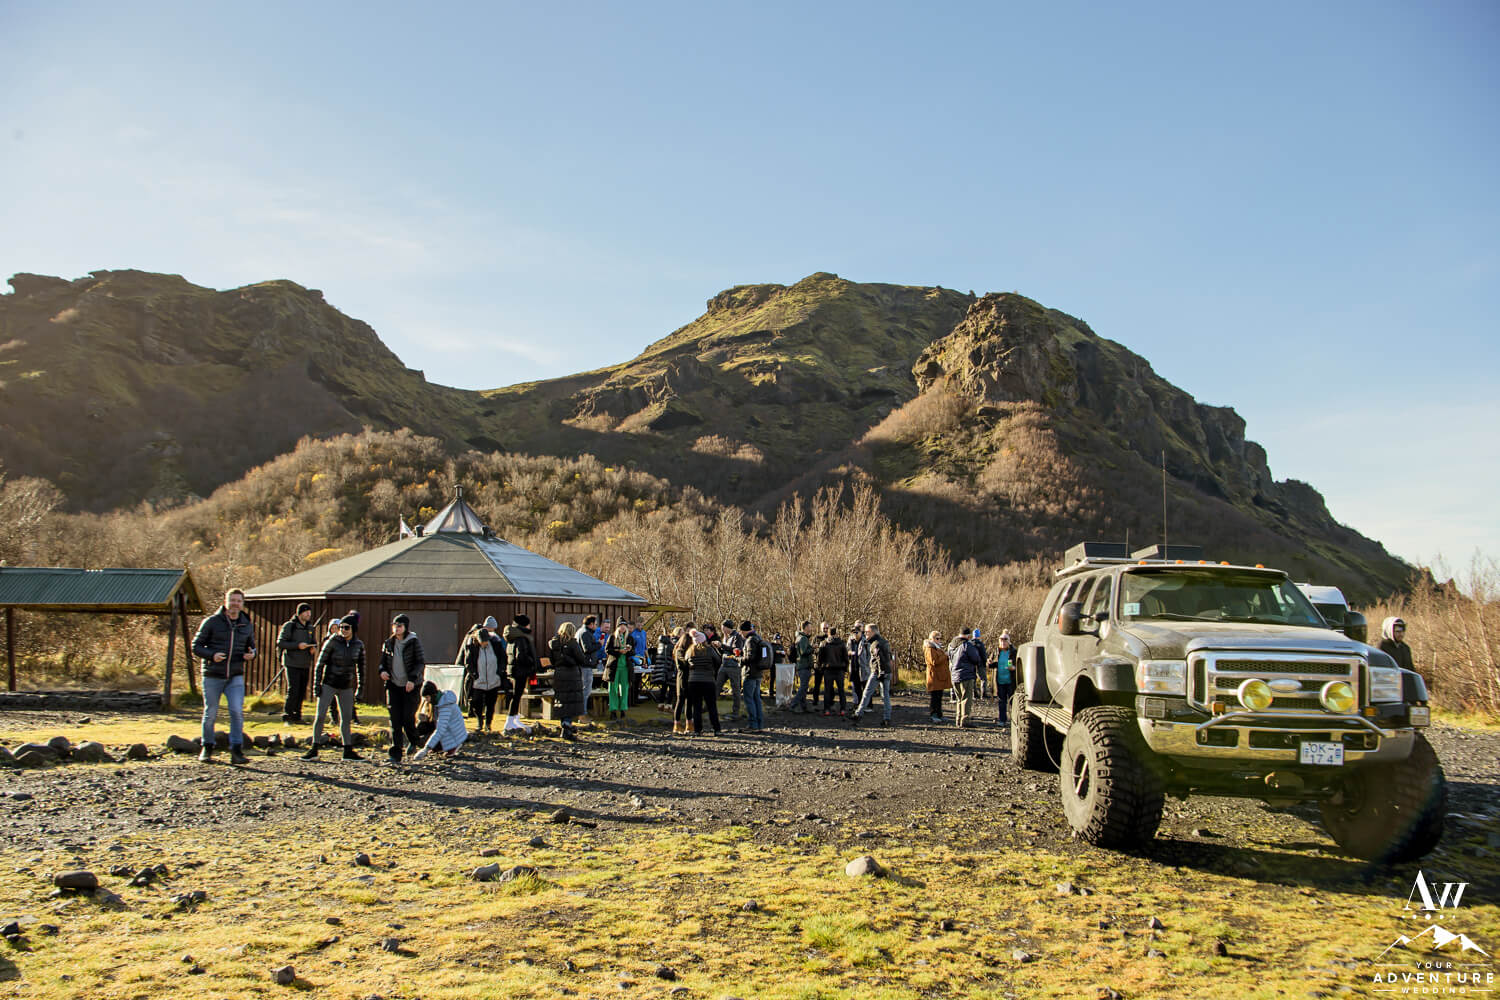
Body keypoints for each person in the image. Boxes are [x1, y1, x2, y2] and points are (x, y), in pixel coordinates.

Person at [191, 588, 257, 764]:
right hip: (213, 674)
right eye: (232, 600)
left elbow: (251, 646)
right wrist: (212, 655)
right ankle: (207, 747)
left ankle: (236, 750)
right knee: (211, 712)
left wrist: (252, 654)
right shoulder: (212, 622)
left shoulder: (246, 624)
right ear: (226, 602)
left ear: (242, 604)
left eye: (238, 601)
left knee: (236, 711)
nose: (235, 604)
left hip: (235, 674)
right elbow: (196, 646)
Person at [302, 617, 364, 760]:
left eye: (346, 627)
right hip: (329, 683)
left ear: (353, 629)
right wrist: (317, 686)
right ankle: (314, 748)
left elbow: (362, 669)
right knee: (320, 716)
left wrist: (360, 689)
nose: (343, 630)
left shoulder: (358, 645)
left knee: (346, 718)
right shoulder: (332, 642)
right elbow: (320, 664)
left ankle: (347, 750)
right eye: (341, 627)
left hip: (346, 686)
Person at [378, 614, 426, 763]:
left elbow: (420, 663)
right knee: (395, 720)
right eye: (394, 625)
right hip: (393, 685)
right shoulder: (388, 643)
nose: (396, 628)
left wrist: (412, 679)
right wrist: (382, 671)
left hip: (410, 686)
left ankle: (416, 741)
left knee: (407, 718)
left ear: (405, 627)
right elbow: (382, 662)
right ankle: (396, 753)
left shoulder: (413, 642)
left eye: (400, 625)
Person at [276, 602, 317, 723]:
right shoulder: (290, 626)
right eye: (306, 612)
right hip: (291, 662)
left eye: (309, 612)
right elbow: (281, 642)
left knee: (301, 691)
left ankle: (297, 716)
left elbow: (313, 642)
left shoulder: (310, 628)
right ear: (299, 613)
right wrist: (297, 646)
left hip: (305, 663)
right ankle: (287, 715)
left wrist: (313, 648)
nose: (309, 614)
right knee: (293, 690)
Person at [464, 621, 508, 733]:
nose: (484, 643)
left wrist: (499, 672)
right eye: (482, 642)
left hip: (493, 679)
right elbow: (468, 662)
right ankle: (479, 721)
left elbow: (503, 658)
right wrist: (475, 675)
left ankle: (488, 724)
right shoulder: (472, 647)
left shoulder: (495, 644)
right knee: (476, 702)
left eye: (486, 641)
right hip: (479, 680)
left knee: (491, 703)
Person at [549, 621, 589, 741]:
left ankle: (564, 725)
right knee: (571, 701)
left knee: (562, 700)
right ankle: (567, 725)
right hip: (572, 674)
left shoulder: (554, 644)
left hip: (559, 674)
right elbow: (581, 659)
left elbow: (552, 660)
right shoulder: (572, 643)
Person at [411, 680, 467, 761]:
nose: (426, 700)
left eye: (427, 697)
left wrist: (425, 749)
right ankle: (436, 746)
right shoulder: (439, 701)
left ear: (433, 695)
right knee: (420, 727)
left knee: (423, 741)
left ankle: (453, 746)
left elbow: (440, 730)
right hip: (447, 730)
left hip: (454, 735)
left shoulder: (446, 707)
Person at [503, 614, 540, 735]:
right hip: (521, 670)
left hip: (513, 669)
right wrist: (531, 662)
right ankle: (510, 721)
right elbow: (521, 655)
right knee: (517, 695)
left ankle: (514, 718)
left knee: (516, 695)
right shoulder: (521, 638)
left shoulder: (512, 636)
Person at [851, 623, 893, 727]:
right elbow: (889, 657)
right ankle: (887, 718)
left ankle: (858, 714)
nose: (865, 634)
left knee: (867, 693)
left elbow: (879, 658)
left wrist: (880, 672)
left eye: (867, 632)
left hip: (878, 672)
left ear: (873, 632)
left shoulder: (875, 644)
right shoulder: (884, 642)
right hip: (887, 671)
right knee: (885, 696)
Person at [685, 630, 723, 736]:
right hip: (708, 680)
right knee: (711, 706)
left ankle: (697, 730)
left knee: (696, 706)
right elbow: (718, 661)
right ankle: (716, 729)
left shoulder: (690, 651)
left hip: (693, 681)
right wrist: (712, 671)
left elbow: (686, 663)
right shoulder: (709, 650)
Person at [737, 620, 771, 732]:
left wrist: (739, 659)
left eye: (741, 631)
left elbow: (750, 657)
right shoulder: (758, 638)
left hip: (750, 673)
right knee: (757, 699)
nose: (741, 634)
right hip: (758, 674)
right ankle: (759, 724)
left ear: (744, 631)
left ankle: (753, 724)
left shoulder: (750, 640)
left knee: (749, 699)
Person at [949, 626, 984, 728]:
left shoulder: (951, 645)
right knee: (966, 698)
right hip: (966, 674)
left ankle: (958, 719)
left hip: (954, 675)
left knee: (959, 699)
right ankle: (965, 720)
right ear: (968, 635)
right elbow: (976, 659)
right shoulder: (967, 645)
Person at [715, 617, 744, 721]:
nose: (722, 630)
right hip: (724, 664)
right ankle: (710, 707)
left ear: (728, 628)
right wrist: (719, 647)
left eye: (723, 628)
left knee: (735, 690)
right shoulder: (725, 637)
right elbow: (724, 651)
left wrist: (722, 645)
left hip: (733, 666)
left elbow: (736, 650)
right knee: (717, 686)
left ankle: (736, 712)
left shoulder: (737, 637)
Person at [605, 622, 635, 721]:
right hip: (614, 666)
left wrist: (628, 651)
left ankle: (623, 709)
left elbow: (633, 652)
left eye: (624, 626)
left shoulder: (630, 638)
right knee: (613, 689)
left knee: (624, 689)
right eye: (621, 626)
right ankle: (613, 710)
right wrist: (618, 651)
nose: (623, 628)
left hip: (625, 667)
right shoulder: (612, 637)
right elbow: (607, 650)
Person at [818, 623, 849, 717]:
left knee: (827, 690)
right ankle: (843, 709)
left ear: (828, 633)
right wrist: (845, 668)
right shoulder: (842, 644)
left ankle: (827, 709)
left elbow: (820, 658)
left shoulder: (824, 644)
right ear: (836, 633)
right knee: (841, 690)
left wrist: (821, 667)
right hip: (840, 669)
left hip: (828, 669)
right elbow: (846, 657)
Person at [788, 621, 816, 713]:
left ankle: (804, 706)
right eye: (810, 627)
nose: (811, 628)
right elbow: (803, 652)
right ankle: (793, 704)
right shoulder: (803, 638)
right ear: (805, 627)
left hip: (801, 665)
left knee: (804, 686)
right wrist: (812, 648)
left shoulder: (799, 637)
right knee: (803, 687)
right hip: (804, 665)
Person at [924, 630, 952, 724]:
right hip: (934, 676)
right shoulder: (929, 649)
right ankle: (933, 714)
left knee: (939, 696)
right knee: (934, 697)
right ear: (931, 639)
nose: (939, 640)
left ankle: (939, 714)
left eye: (940, 638)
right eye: (937, 638)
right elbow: (934, 662)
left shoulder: (938, 648)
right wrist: (945, 655)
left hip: (940, 676)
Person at [672, 624, 694, 734]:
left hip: (683, 678)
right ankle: (678, 725)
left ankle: (687, 724)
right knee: (681, 701)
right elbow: (684, 663)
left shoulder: (678, 650)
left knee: (686, 702)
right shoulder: (680, 651)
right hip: (683, 678)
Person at [994, 631, 1016, 724]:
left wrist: (1013, 668)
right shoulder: (997, 652)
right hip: (1000, 681)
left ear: (1009, 642)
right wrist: (989, 663)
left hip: (1010, 681)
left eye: (1005, 640)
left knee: (1013, 702)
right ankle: (1002, 720)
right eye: (1001, 641)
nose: (1003, 642)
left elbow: (1019, 666)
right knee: (1002, 702)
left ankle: (1014, 721)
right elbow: (994, 663)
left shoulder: (1013, 652)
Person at [579, 615, 602, 699]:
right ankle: (583, 707)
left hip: (584, 664)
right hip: (586, 665)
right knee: (586, 690)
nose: (596, 626)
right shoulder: (585, 633)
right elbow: (587, 648)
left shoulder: (581, 631)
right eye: (595, 624)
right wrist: (599, 644)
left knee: (585, 689)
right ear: (591, 624)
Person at [972, 627, 990, 700]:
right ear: (979, 636)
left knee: (973, 679)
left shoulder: (969, 643)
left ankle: (974, 694)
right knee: (983, 679)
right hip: (980, 664)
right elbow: (983, 655)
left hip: (972, 664)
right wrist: (985, 662)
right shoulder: (980, 644)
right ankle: (983, 694)